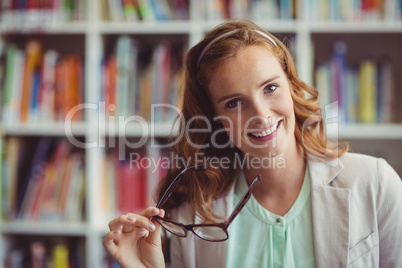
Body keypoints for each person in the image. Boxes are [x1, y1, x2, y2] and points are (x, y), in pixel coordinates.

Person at [103, 19, 402, 268]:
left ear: (291, 86)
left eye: (270, 88)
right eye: (234, 103)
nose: (260, 114)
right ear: (214, 118)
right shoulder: (190, 215)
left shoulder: (376, 183)